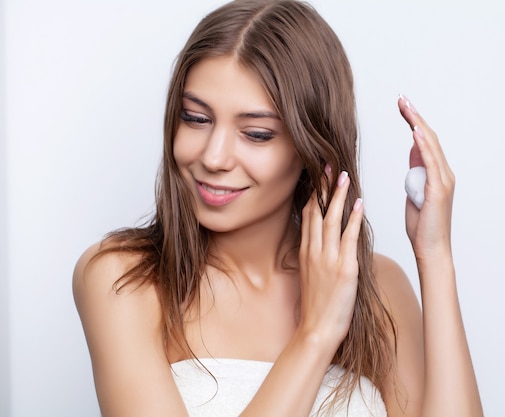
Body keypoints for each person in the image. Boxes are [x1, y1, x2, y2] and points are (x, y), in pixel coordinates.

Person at [73, 0, 483, 416]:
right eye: (196, 119)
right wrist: (316, 334)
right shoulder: (125, 280)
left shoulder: (380, 287)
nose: (214, 157)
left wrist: (434, 256)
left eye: (255, 133)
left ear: (311, 146)